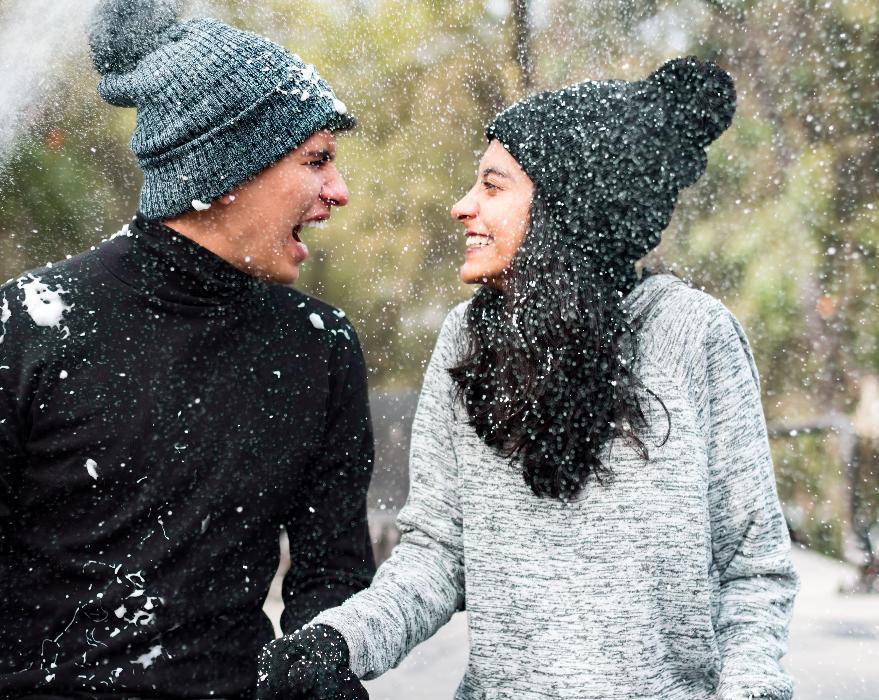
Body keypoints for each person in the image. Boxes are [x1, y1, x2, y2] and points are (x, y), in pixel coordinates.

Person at [258, 57, 799, 699]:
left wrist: (750, 689)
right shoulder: (465, 338)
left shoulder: (695, 334)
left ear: (567, 208)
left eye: (493, 185)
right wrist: (341, 641)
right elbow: (437, 556)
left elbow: (753, 566)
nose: (462, 207)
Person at [0, 0, 375, 697]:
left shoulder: (320, 347)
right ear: (224, 170)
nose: (338, 191)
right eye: (316, 160)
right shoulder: (28, 326)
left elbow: (332, 579)